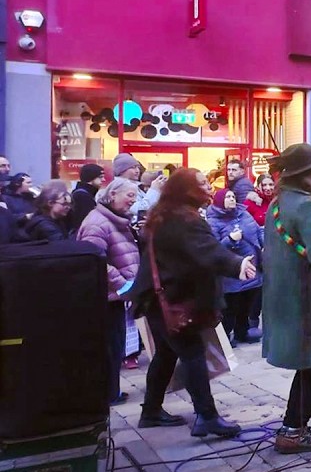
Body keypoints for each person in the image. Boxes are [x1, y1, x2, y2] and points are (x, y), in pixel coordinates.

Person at [128, 169, 256, 438]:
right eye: (202, 184)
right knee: (193, 356)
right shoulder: (183, 219)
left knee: (166, 355)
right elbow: (205, 250)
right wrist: (237, 264)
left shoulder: (164, 214)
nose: (209, 187)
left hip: (159, 299)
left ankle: (151, 411)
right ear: (187, 190)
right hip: (173, 300)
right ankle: (207, 416)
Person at [262, 143, 311, 454]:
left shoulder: (279, 202)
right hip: (304, 298)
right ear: (310, 174)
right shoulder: (306, 205)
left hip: (282, 296)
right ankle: (293, 429)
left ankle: (294, 425)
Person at [78, 177, 140, 406]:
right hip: (107, 297)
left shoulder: (115, 220)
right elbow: (95, 260)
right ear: (112, 194)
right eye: (129, 196)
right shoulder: (97, 222)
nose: (132, 201)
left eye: (135, 196)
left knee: (116, 346)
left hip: (115, 296)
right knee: (109, 347)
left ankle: (112, 391)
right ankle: (107, 394)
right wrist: (122, 283)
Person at [207, 189, 264, 346]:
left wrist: (264, 244)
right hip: (232, 272)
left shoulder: (244, 214)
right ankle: (225, 337)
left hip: (252, 268)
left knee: (246, 304)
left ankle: (242, 332)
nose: (231, 199)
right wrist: (230, 239)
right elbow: (213, 247)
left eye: (233, 196)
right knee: (230, 307)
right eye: (227, 197)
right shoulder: (213, 221)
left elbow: (257, 230)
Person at [69, 163, 105, 233]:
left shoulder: (83, 193)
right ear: (91, 177)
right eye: (100, 177)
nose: (103, 180)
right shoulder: (83, 196)